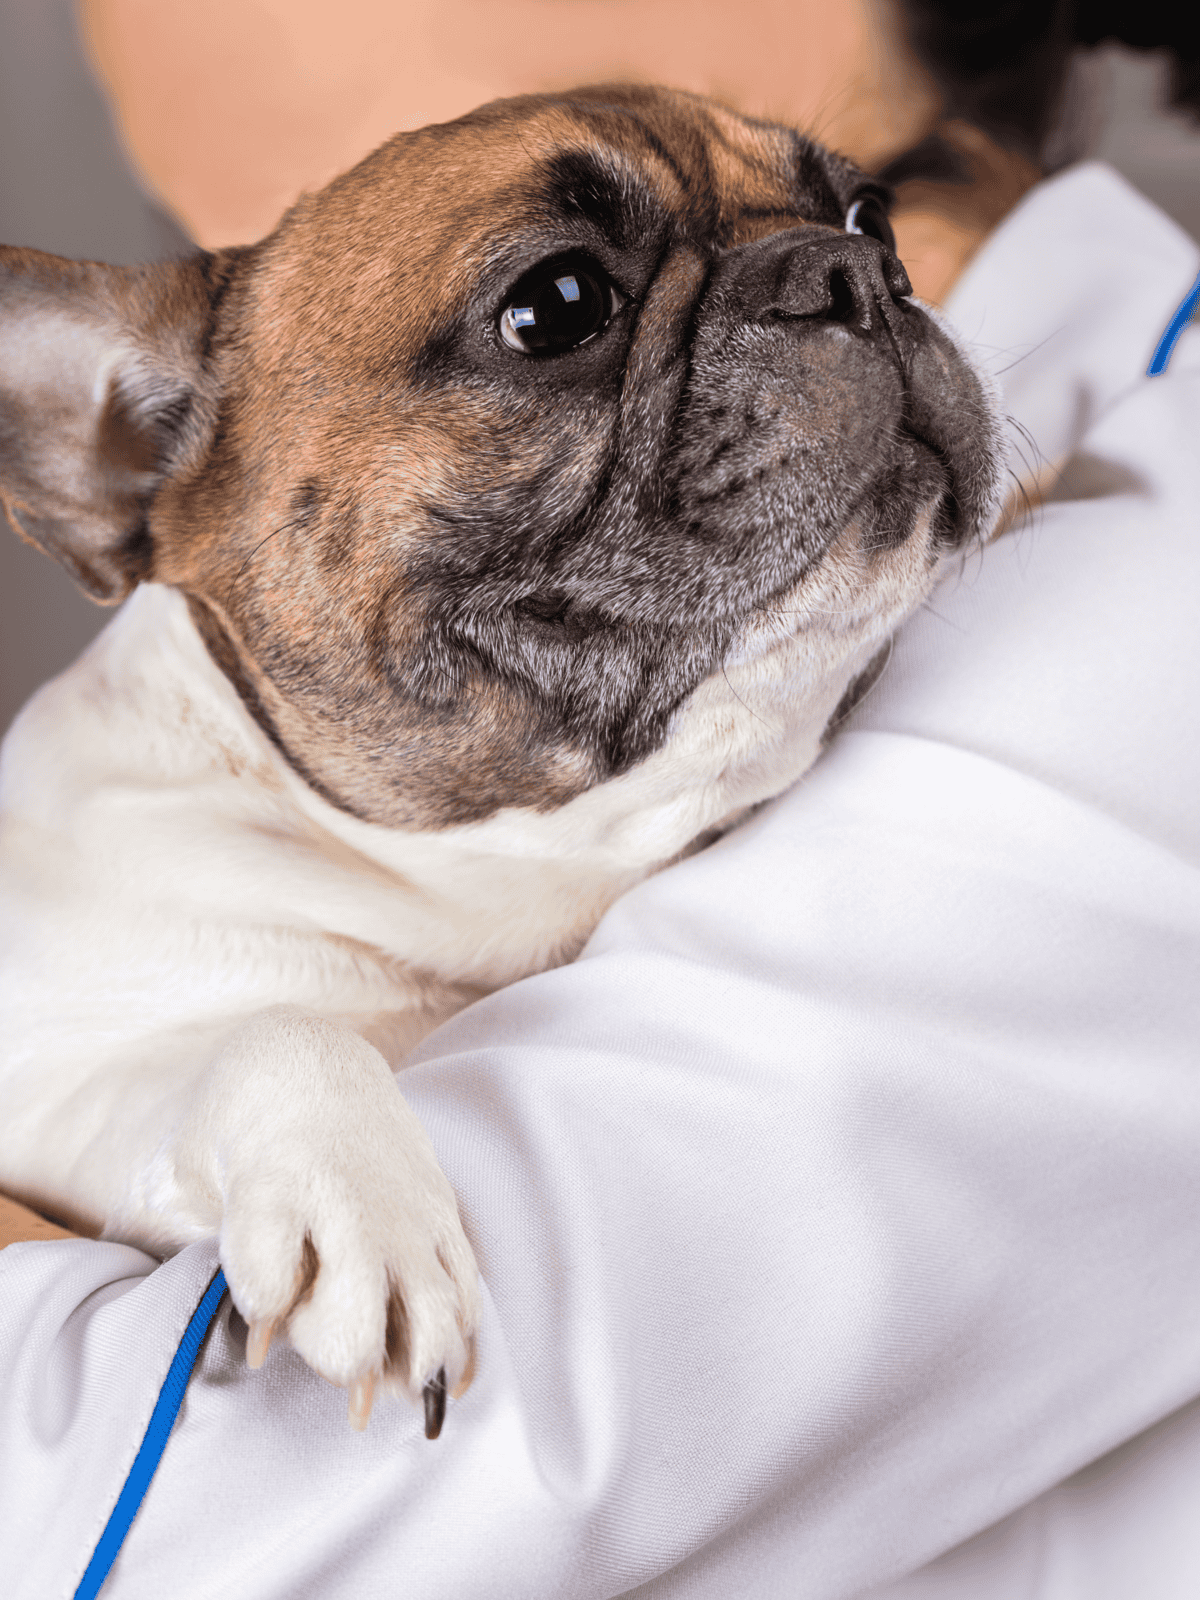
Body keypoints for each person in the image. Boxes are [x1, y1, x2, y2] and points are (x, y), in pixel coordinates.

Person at [3, 2, 1199, 1595]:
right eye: (562, 307)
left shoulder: (1133, 612)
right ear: (141, 460)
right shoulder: (110, 875)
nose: (846, 290)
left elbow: (196, 1526)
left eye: (861, 241)